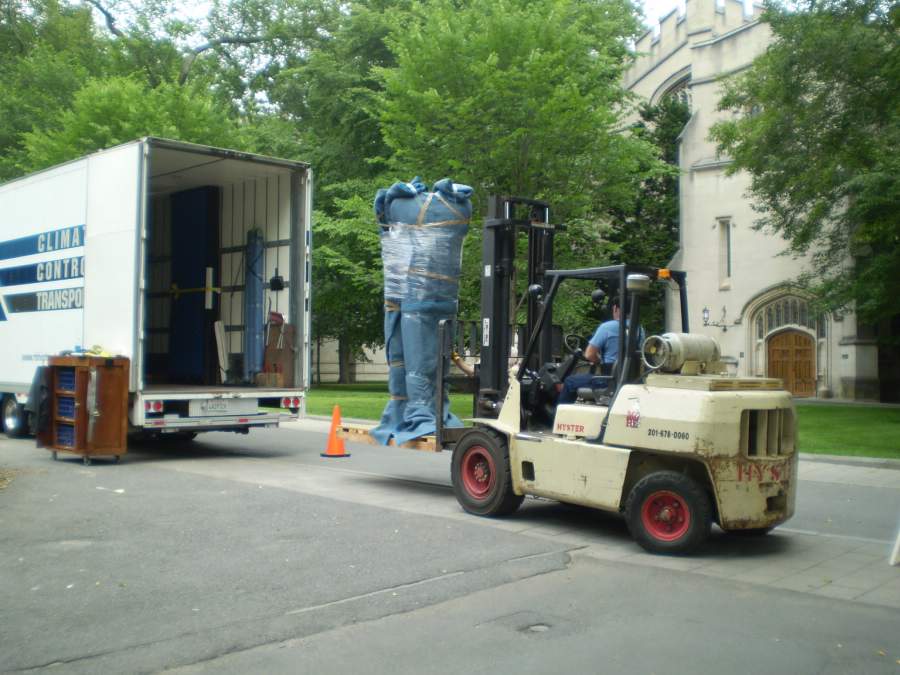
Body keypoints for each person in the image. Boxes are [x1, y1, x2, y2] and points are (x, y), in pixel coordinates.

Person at [558, 297, 643, 404]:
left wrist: (598, 360)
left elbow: (589, 354)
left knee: (569, 381)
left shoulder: (607, 327)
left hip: (608, 380)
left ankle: (558, 413)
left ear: (615, 309)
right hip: (631, 379)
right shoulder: (640, 330)